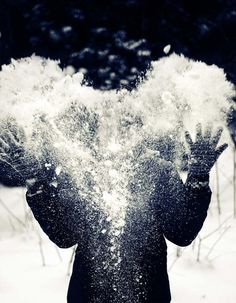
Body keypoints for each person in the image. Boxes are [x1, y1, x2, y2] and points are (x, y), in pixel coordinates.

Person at [0, 122, 228, 303]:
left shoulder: (159, 172)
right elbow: (63, 235)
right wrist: (35, 182)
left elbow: (182, 232)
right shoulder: (84, 173)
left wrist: (198, 177)